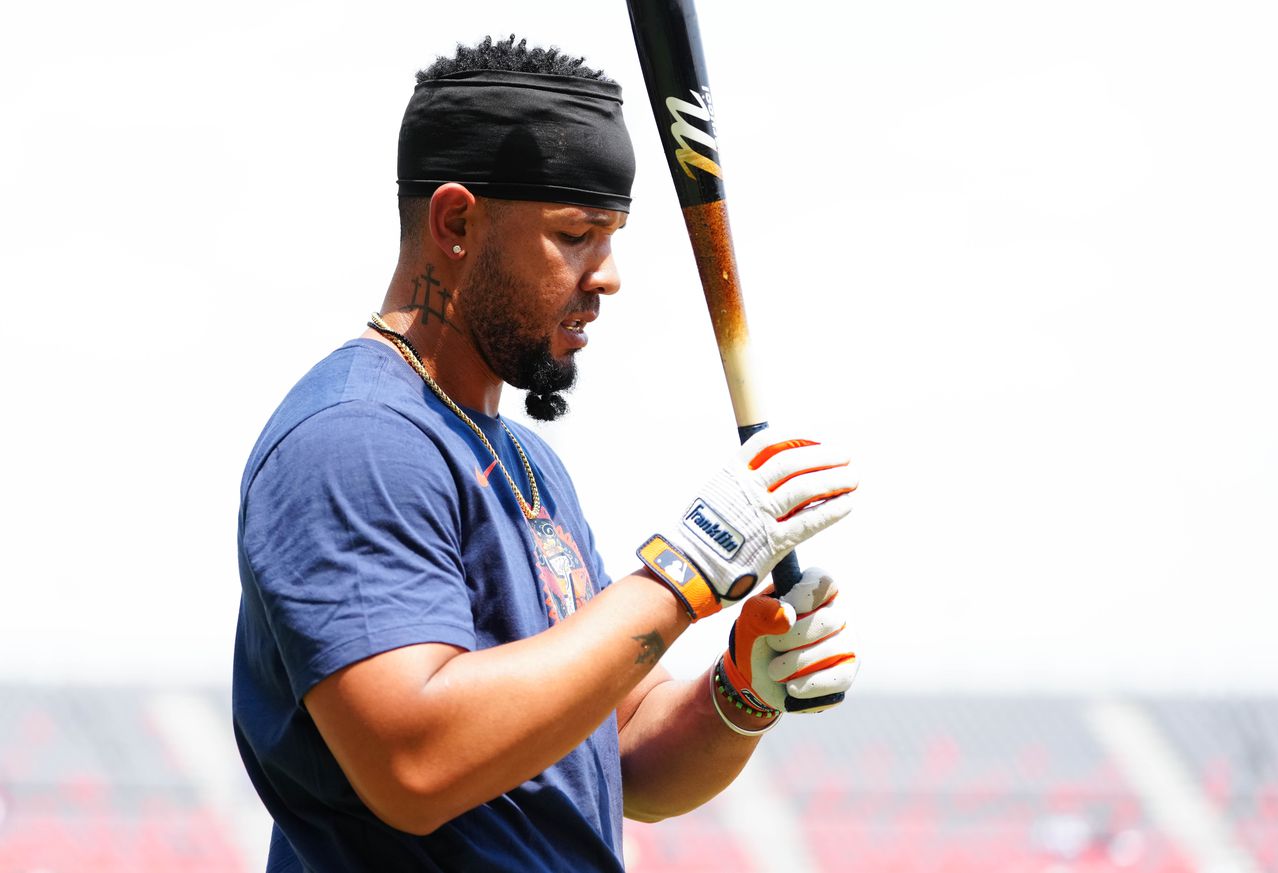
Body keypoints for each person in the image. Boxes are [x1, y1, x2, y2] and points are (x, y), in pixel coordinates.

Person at [233, 36, 861, 872]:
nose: (607, 276)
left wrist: (742, 689)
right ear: (456, 222)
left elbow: (622, 747)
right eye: (576, 233)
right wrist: (687, 570)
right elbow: (415, 762)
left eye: (612, 236)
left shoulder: (525, 462)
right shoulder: (359, 441)